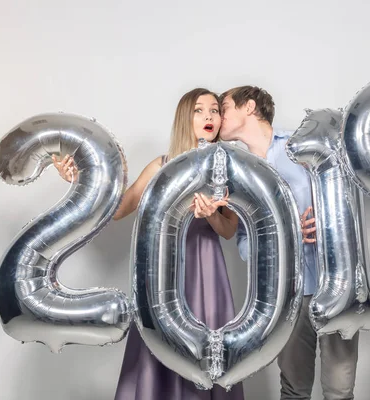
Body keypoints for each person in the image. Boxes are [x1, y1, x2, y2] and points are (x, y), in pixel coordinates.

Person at [53, 88, 244, 400]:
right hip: (162, 273)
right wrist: (79, 180)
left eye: (214, 110)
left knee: (208, 351)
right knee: (160, 342)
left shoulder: (226, 170)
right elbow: (118, 209)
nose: (209, 116)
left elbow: (227, 230)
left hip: (206, 271)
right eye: (199, 110)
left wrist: (210, 215)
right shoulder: (161, 165)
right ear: (185, 117)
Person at [219, 86, 359, 400]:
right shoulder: (236, 172)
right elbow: (243, 243)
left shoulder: (304, 148)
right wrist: (284, 231)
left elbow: (342, 203)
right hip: (288, 295)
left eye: (224, 106)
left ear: (249, 107)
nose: (218, 114)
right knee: (294, 390)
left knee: (340, 391)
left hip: (333, 284)